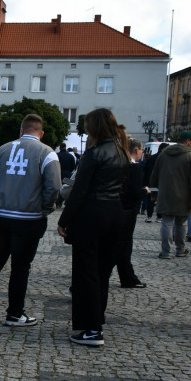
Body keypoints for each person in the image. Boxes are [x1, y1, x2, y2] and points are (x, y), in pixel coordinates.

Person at [0, 114, 61, 326]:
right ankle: (15, 313)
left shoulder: (2, 150)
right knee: (20, 266)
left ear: (21, 130)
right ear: (41, 133)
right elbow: (54, 187)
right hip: (28, 218)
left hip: (1, 215)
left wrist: (1, 196)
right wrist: (45, 207)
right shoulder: (47, 153)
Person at [56, 108, 129, 346]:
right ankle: (97, 320)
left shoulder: (95, 153)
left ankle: (92, 329)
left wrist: (64, 219)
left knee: (86, 273)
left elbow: (79, 191)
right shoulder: (121, 151)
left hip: (92, 215)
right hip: (115, 214)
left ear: (93, 128)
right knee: (102, 273)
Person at [150, 131, 191, 259]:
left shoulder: (164, 153)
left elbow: (155, 174)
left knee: (166, 223)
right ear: (188, 141)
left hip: (165, 193)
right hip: (184, 196)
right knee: (181, 224)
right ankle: (180, 250)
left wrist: (154, 192)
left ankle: (165, 251)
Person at [116, 138, 148, 288]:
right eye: (142, 150)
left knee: (120, 245)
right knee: (123, 245)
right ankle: (128, 277)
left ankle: (127, 276)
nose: (142, 153)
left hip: (118, 208)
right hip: (128, 210)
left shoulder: (120, 165)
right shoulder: (133, 168)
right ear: (136, 150)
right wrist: (144, 191)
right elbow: (133, 192)